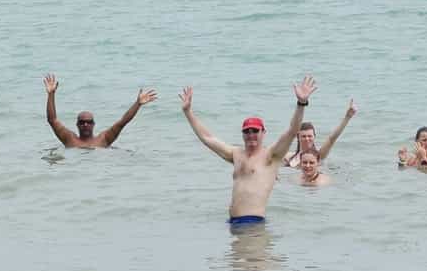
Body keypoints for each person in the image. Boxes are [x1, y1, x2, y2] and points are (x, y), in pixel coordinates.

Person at [180, 76, 317, 224]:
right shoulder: (236, 154)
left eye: (255, 131)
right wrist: (188, 112)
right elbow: (207, 138)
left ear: (263, 133)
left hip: (253, 224)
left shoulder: (271, 155)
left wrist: (301, 104)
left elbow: (292, 131)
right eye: (247, 131)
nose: (251, 134)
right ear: (242, 134)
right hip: (233, 224)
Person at [44, 74, 157, 149]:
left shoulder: (104, 139)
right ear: (77, 125)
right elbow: (52, 120)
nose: (85, 125)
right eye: (82, 122)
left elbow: (123, 122)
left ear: (93, 124)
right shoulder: (70, 139)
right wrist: (51, 94)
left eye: (89, 122)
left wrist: (138, 104)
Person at [284, 100, 358, 167]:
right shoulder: (289, 157)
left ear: (314, 136)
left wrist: (347, 117)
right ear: (298, 137)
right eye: (303, 136)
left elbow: (332, 139)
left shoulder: (320, 155)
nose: (307, 139)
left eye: (309, 136)